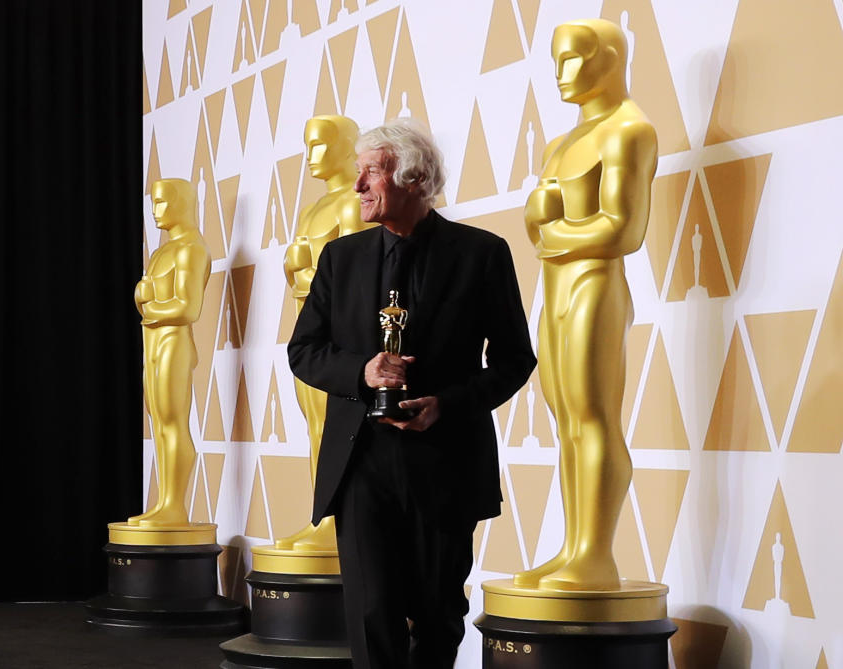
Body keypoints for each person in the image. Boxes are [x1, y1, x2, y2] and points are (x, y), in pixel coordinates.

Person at [288, 118, 536, 668]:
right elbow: (303, 351)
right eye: (358, 173)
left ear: (413, 177)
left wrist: (447, 404)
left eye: (370, 173)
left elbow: (517, 361)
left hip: (445, 460)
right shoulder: (339, 258)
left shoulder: (482, 254)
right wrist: (363, 372)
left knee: (438, 615)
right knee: (372, 615)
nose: (356, 187)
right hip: (361, 464)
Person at [515, 18, 657, 591]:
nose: (560, 73)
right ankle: (575, 546)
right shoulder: (560, 144)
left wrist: (550, 232)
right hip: (555, 288)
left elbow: (623, 229)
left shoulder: (630, 131)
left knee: (595, 417)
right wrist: (540, 218)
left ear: (611, 59)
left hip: (596, 284)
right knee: (566, 419)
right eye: (557, 60)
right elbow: (543, 224)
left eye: (574, 59)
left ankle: (596, 555)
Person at [278, 114, 370, 551]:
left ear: (346, 147)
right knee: (315, 425)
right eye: (307, 145)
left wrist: (305, 272)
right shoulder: (313, 209)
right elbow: (302, 275)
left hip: (339, 334)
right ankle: (322, 519)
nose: (310, 156)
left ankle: (336, 524)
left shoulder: (352, 205)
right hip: (311, 330)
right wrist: (297, 268)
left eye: (319, 145)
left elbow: (352, 274)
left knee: (335, 425)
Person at [128, 178, 211, 526]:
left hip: (174, 343)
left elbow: (187, 308)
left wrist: (148, 308)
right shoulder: (164, 251)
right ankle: (165, 502)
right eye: (154, 202)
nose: (155, 210)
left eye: (162, 202)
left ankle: (175, 505)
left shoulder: (191, 249)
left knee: (174, 422)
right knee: (159, 422)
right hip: (155, 343)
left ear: (181, 203)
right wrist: (143, 299)